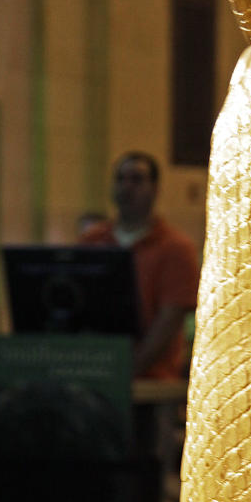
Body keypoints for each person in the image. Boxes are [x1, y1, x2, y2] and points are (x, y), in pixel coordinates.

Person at [79, 152, 199, 380]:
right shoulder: (92, 241)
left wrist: (127, 373)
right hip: (94, 372)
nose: (126, 187)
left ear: (155, 189)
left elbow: (169, 321)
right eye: (120, 179)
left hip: (153, 381)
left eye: (136, 179)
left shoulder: (176, 248)